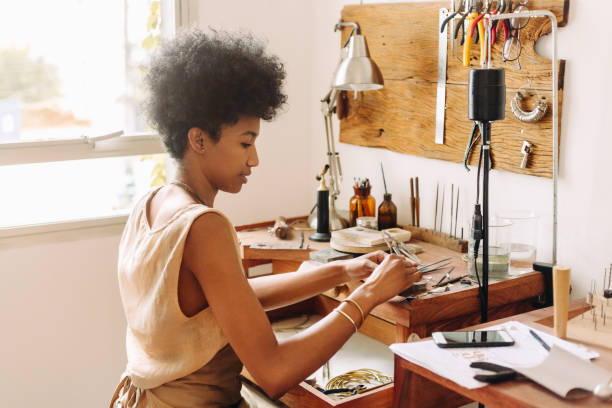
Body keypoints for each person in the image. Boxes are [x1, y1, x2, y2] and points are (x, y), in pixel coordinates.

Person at [110, 28, 421, 408]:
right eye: (245, 142)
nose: (254, 159)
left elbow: (226, 302)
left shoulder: (151, 203)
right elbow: (274, 372)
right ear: (199, 140)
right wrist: (368, 296)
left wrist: (341, 272)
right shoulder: (203, 226)